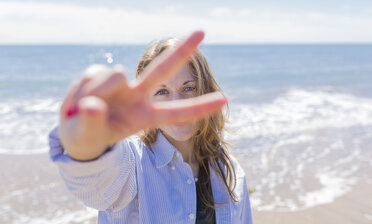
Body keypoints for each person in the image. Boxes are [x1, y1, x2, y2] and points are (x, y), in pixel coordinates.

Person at [49, 31, 253, 223]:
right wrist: (86, 141)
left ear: (204, 90)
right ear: (147, 102)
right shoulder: (132, 162)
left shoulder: (229, 171)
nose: (176, 101)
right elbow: (94, 185)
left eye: (188, 88)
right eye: (162, 92)